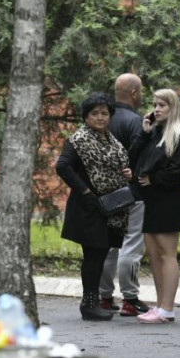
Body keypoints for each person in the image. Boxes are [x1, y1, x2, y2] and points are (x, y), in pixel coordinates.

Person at [56, 92, 132, 321]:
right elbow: (63, 166)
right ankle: (89, 304)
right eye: (94, 113)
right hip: (88, 208)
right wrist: (86, 191)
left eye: (104, 113)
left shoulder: (110, 139)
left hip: (110, 206)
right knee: (93, 255)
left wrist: (126, 173)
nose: (100, 117)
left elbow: (114, 167)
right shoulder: (79, 139)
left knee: (100, 255)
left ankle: (93, 302)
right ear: (86, 117)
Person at [129, 89, 180, 324]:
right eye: (155, 105)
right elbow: (133, 159)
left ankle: (167, 308)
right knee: (154, 254)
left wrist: (155, 179)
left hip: (170, 200)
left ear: (172, 107)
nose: (156, 109)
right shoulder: (155, 132)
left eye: (162, 105)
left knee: (167, 253)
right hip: (151, 200)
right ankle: (159, 305)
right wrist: (144, 133)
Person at [98, 73, 151, 317]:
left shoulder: (102, 121)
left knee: (109, 245)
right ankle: (130, 298)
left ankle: (104, 297)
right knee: (131, 244)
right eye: (141, 91)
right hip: (132, 193)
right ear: (133, 93)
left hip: (105, 193)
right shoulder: (136, 122)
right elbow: (140, 159)